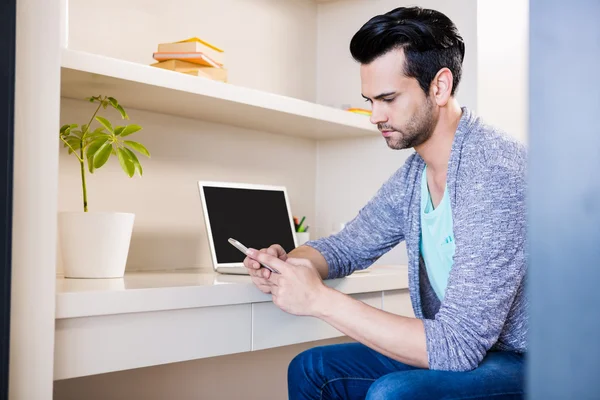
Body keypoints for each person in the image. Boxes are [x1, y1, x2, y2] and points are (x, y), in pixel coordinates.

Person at [243, 6, 527, 400]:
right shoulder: (415, 175)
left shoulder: (494, 173)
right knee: (312, 370)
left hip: (532, 360)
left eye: (388, 98)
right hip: (477, 351)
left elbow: (456, 347)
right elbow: (347, 247)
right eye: (369, 99)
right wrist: (289, 262)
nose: (375, 115)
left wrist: (319, 299)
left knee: (393, 393)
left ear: (440, 87)